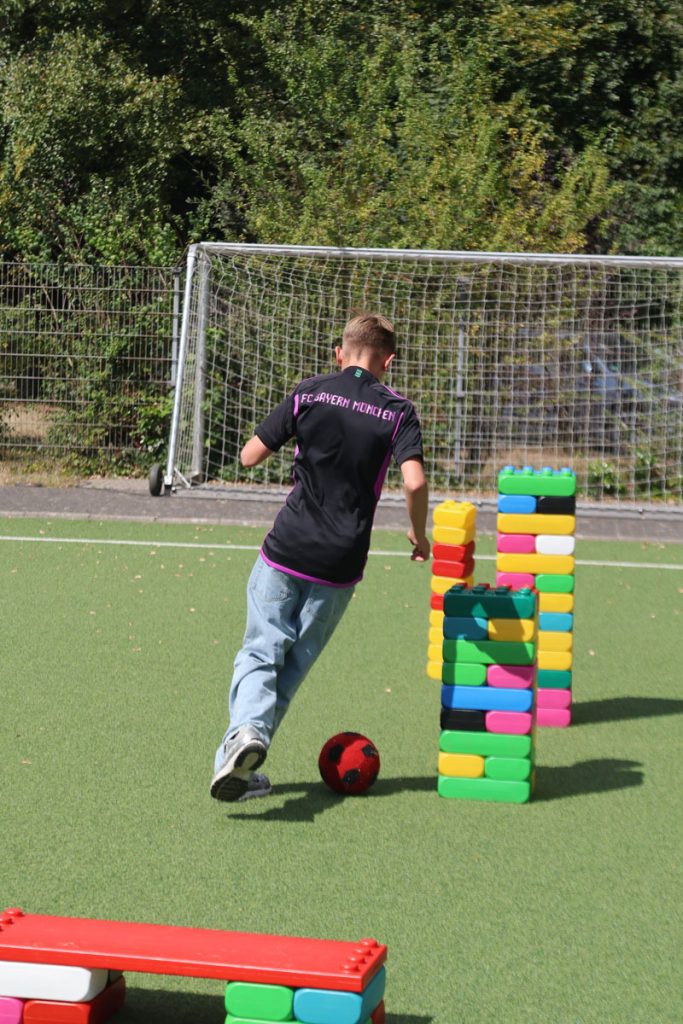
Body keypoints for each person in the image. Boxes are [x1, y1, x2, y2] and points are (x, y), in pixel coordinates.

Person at [211, 312, 430, 802]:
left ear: (340, 352)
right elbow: (413, 481)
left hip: (287, 547)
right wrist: (420, 537)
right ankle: (244, 757)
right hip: (340, 564)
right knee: (290, 667)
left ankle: (245, 737)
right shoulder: (398, 410)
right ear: (387, 362)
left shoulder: (309, 392)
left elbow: (249, 455)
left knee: (259, 650)